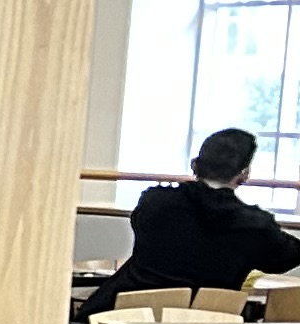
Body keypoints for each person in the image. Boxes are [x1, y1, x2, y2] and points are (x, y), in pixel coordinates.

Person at [93, 126, 300, 312]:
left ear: (194, 165)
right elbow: (286, 257)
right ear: (244, 174)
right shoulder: (255, 226)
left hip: (114, 319)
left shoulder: (154, 202)